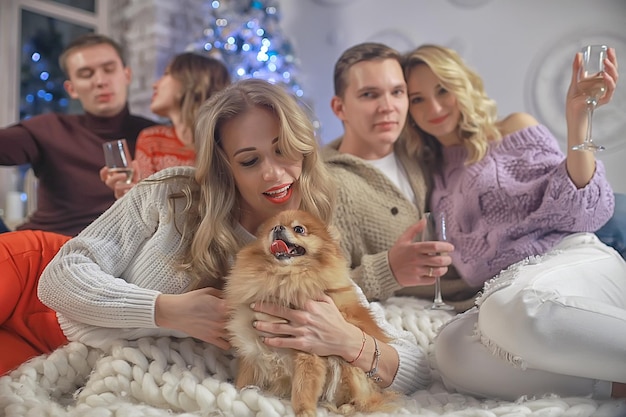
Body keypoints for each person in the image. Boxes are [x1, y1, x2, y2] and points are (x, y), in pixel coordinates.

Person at [1, 79, 431, 395]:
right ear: (225, 167)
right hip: (27, 273)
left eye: (284, 149)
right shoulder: (175, 193)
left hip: (62, 351)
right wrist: (168, 311)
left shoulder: (306, 248)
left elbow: (415, 368)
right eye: (250, 160)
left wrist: (348, 341)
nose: (273, 173)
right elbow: (58, 279)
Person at [402, 44, 625, 400]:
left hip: (571, 258)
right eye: (417, 99)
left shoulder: (513, 128)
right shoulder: (436, 179)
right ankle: (615, 385)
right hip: (507, 291)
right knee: (450, 351)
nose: (435, 107)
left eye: (443, 89)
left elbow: (582, 211)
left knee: (512, 309)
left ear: (463, 85)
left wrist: (578, 120)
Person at [322, 42, 476, 312]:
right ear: (339, 108)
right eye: (370, 95)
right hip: (427, 317)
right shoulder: (328, 186)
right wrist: (388, 269)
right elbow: (326, 293)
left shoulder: (419, 146)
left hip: (480, 290)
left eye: (397, 92)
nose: (388, 107)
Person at [0, 33, 156, 237]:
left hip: (111, 259)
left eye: (109, 70)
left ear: (126, 75)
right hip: (41, 250)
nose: (100, 81)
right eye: (86, 74)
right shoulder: (50, 128)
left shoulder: (155, 137)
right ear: (71, 88)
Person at [101, 52, 231, 199]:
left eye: (166, 74)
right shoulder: (153, 139)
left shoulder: (229, 140)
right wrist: (130, 198)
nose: (154, 84)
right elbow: (148, 206)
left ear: (191, 82)